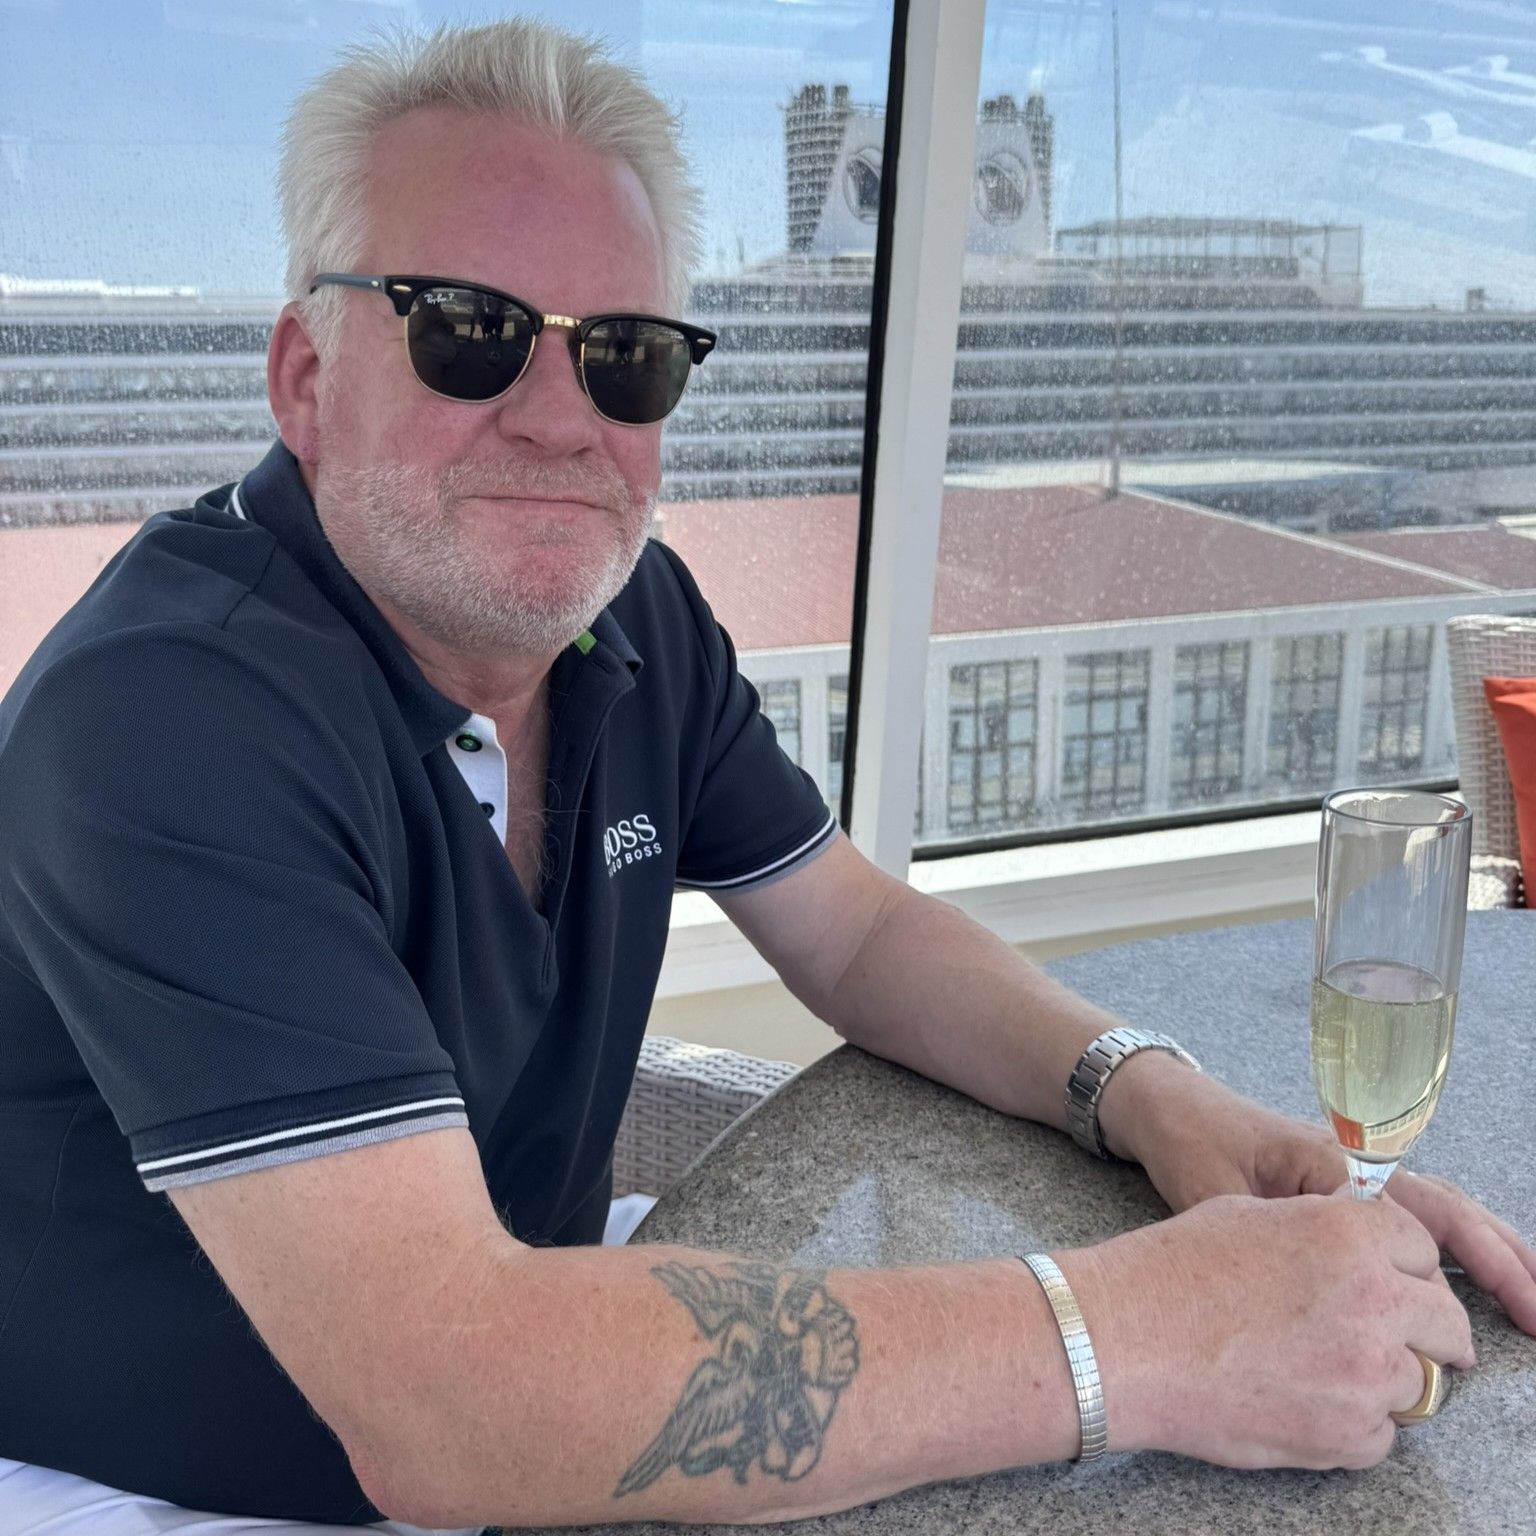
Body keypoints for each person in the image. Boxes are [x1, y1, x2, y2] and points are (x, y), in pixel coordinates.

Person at [0, 18, 1531, 1536]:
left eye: (624, 357)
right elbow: (450, 1403)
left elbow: (857, 934)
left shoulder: (629, 620)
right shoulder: (167, 719)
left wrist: (1151, 1095)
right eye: (465, 328)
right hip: (172, 1479)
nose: (556, 418)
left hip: (534, 1343)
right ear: (304, 376)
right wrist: (1150, 1333)